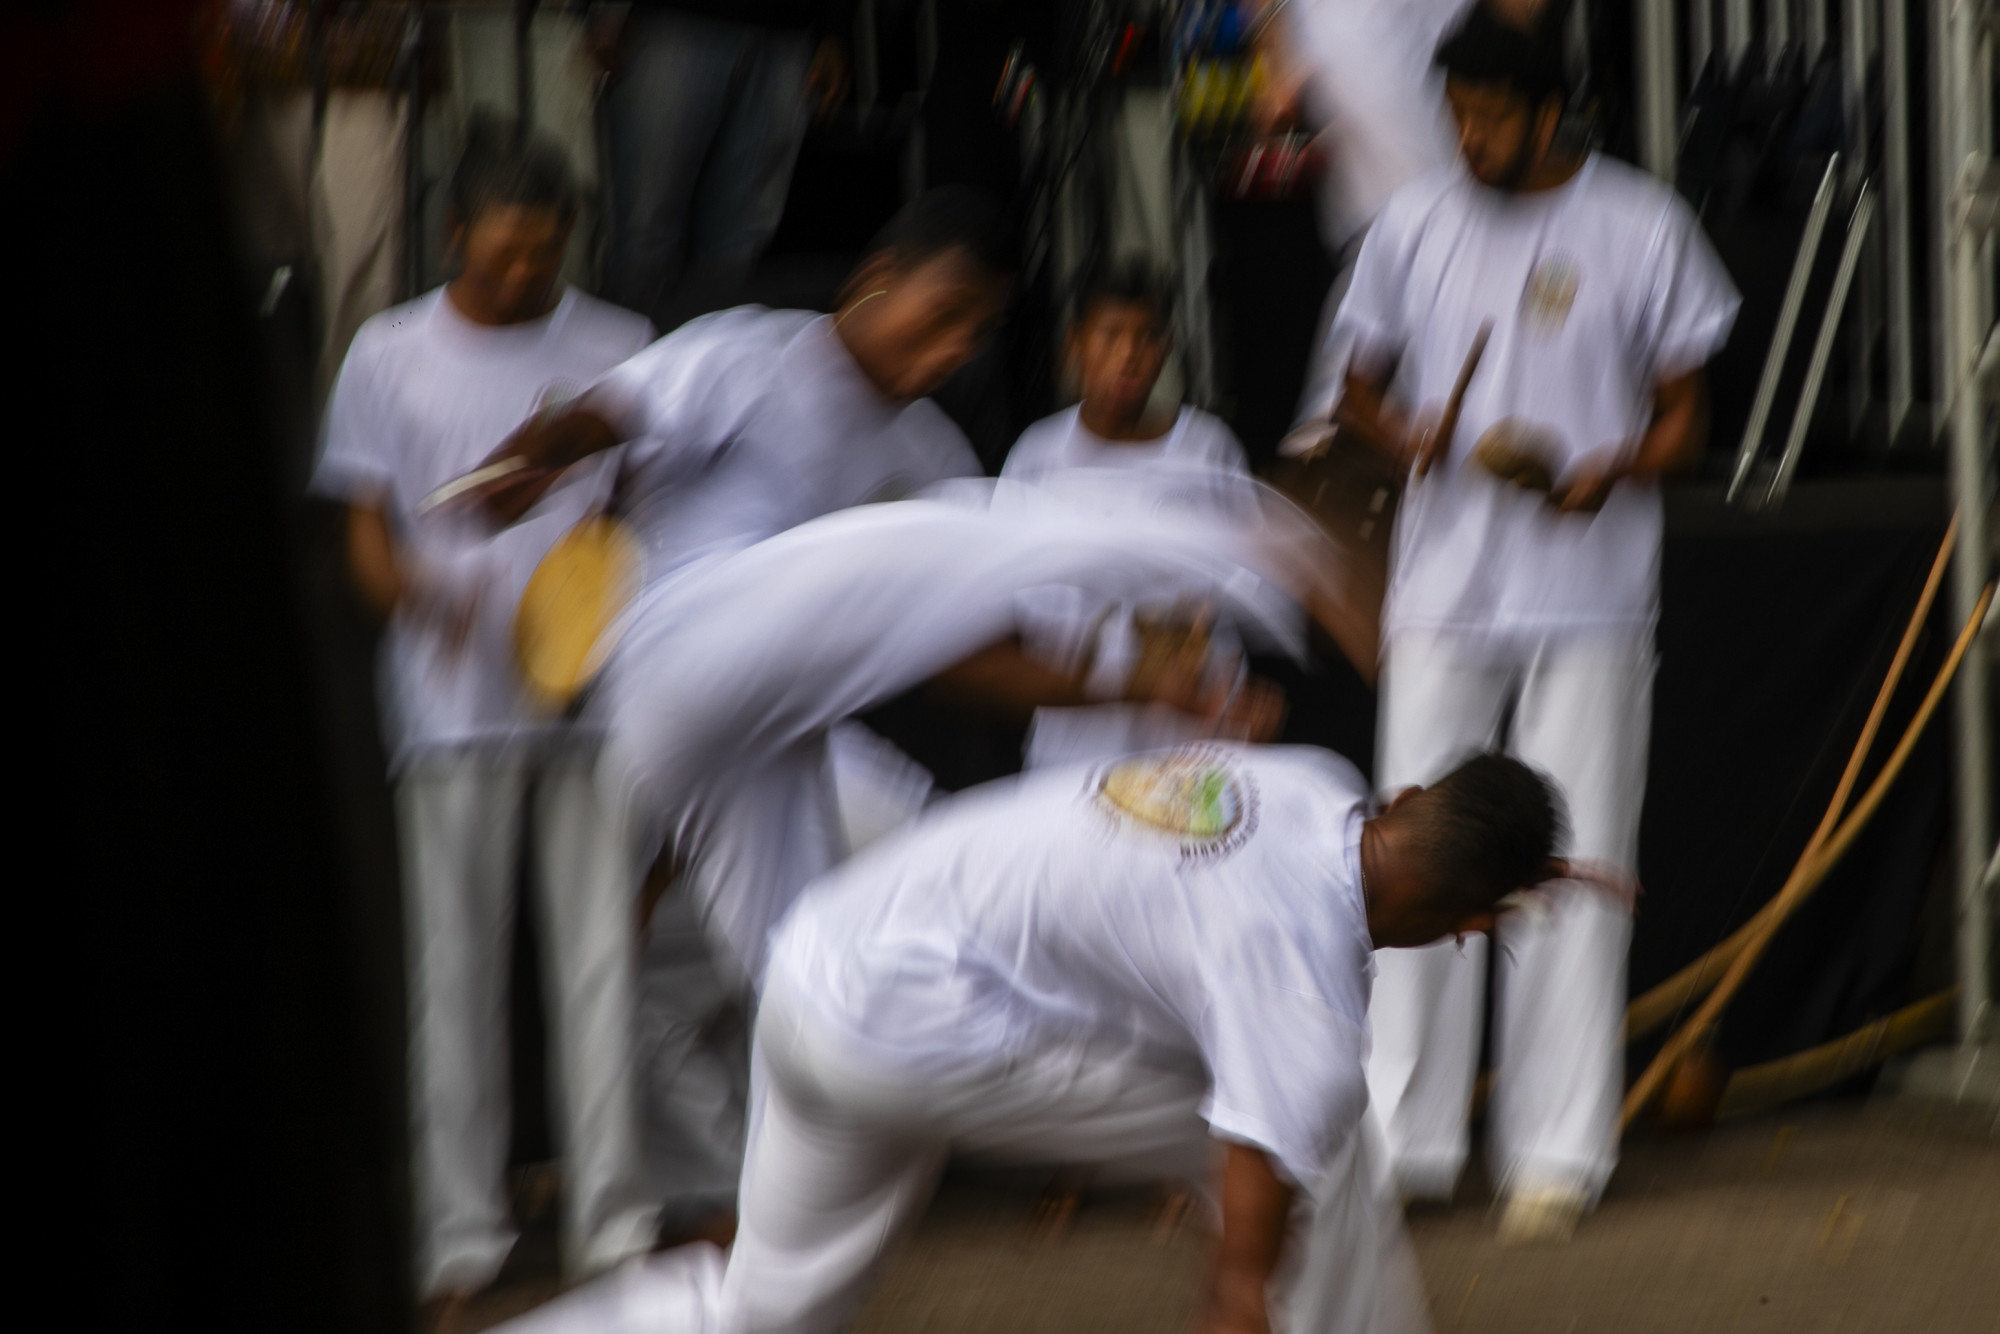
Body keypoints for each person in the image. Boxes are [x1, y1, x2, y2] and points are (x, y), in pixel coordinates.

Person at [493, 746, 1566, 1334]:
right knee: (1311, 1144)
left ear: (1411, 795)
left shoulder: (1308, 780)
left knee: (758, 1310)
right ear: (1473, 922)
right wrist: (1237, 1288)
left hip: (817, 962)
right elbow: (1239, 1279)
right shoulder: (1300, 997)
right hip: (911, 1033)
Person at [1328, 4, 1739, 1240]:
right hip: (1443, 589)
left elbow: (1687, 415)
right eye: (1453, 113)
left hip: (1589, 591)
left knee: (1571, 858)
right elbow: (1354, 384)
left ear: (1551, 112)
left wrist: (1608, 467)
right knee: (1406, 850)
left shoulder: (1637, 222)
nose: (1467, 136)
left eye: (1491, 115)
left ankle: (1557, 1149)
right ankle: (1405, 1139)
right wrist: (1409, 435)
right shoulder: (1411, 222)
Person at [311, 124, 660, 1310]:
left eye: (545, 256)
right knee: (452, 974)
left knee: (602, 965)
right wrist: (427, 594)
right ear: (454, 232)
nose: (524, 276)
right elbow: (365, 541)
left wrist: (600, 598)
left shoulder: (619, 348)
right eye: (504, 254)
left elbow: (652, 517)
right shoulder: (386, 352)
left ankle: (616, 1226)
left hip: (596, 702)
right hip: (448, 709)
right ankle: (461, 1232)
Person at [999, 264, 1270, 770]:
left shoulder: (1206, 448)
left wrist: (1200, 613)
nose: (1129, 355)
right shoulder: (1037, 456)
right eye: (1111, 336)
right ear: (1075, 344)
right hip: (1078, 731)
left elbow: (1254, 582)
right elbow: (1012, 602)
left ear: (1166, 348)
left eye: (1146, 337)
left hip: (1194, 723)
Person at [592, 0, 852, 333]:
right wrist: (605, 10)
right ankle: (627, 362)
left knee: (741, 237)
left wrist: (835, 33)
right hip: (676, 22)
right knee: (645, 228)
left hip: (788, 32)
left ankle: (707, 363)